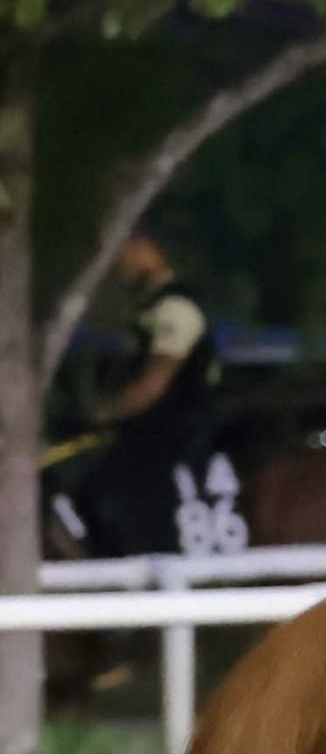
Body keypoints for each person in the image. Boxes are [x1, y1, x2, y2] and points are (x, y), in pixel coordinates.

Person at [47, 236, 222, 555]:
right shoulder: (151, 311)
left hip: (169, 434)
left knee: (102, 485)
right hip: (150, 432)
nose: (121, 266)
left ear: (156, 254)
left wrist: (100, 415)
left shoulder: (175, 309)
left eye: (129, 253)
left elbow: (153, 383)